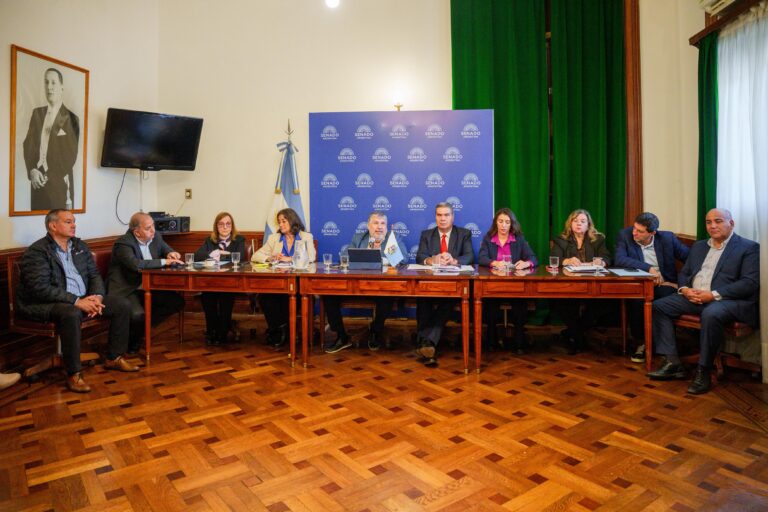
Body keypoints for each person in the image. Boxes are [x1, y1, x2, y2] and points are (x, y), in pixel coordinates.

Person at [16, 209, 137, 393]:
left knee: (122, 304)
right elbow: (40, 289)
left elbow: (94, 275)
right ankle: (74, 373)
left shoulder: (79, 246)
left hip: (82, 298)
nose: (74, 225)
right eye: (68, 222)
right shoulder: (38, 251)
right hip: (44, 304)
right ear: (53, 226)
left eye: (74, 221)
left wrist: (97, 296)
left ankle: (114, 358)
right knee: (71, 313)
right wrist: (76, 301)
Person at [647, 209, 759, 395]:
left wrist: (712, 295)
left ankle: (703, 370)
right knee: (659, 306)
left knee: (711, 313)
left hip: (729, 301)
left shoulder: (748, 247)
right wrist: (685, 290)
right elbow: (685, 273)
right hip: (694, 297)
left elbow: (749, 283)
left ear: (731, 224)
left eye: (718, 221)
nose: (712, 226)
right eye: (708, 222)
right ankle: (673, 362)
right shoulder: (699, 246)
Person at [323, 211, 408, 353]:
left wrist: (383, 256)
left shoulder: (392, 238)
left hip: (381, 287)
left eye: (383, 224)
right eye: (376, 223)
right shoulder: (360, 238)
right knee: (329, 295)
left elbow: (403, 259)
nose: (379, 227)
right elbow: (344, 257)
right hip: (356, 285)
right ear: (368, 226)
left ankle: (375, 331)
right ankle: (342, 336)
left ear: (386, 226)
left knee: (387, 298)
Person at [615, 212, 690, 363]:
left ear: (652, 233)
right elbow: (619, 259)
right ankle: (642, 342)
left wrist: (680, 285)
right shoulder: (625, 235)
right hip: (640, 283)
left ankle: (662, 346)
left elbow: (691, 259)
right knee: (637, 301)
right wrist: (648, 268)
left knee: (662, 303)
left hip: (665, 285)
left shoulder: (667, 238)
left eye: (640, 231)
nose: (634, 233)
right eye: (634, 228)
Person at [107, 212, 185, 353]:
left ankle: (140, 332)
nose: (153, 230)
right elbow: (135, 264)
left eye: (153, 226)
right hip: (128, 288)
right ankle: (131, 343)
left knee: (177, 302)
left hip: (148, 286)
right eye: (148, 228)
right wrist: (164, 261)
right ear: (137, 232)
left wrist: (171, 253)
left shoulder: (156, 237)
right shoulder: (123, 243)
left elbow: (166, 249)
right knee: (138, 315)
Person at [415, 202, 475, 367]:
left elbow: (470, 256)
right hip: (430, 284)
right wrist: (432, 259)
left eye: (446, 215)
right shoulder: (427, 234)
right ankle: (427, 343)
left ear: (452, 217)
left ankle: (425, 342)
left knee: (449, 300)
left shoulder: (463, 234)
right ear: (435, 217)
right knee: (422, 299)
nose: (442, 218)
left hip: (453, 285)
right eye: (439, 215)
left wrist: (454, 260)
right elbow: (420, 256)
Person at [550, 208, 612, 354]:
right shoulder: (561, 240)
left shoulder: (598, 239)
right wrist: (567, 260)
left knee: (605, 301)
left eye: (583, 221)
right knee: (560, 301)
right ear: (570, 223)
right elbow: (555, 259)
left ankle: (573, 333)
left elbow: (607, 257)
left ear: (588, 224)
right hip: (569, 283)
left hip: (592, 283)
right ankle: (577, 336)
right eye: (575, 221)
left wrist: (601, 262)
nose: (578, 224)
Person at [252, 208, 316, 349]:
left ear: (292, 221)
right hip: (277, 282)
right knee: (264, 297)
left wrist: (290, 259)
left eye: (283, 221)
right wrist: (270, 257)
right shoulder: (274, 238)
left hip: (298, 283)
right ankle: (279, 330)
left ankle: (281, 332)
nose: (280, 225)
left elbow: (311, 257)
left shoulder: (305, 237)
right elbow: (255, 256)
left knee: (287, 298)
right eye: (279, 222)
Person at [477, 208, 537, 354]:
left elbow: (533, 258)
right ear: (496, 223)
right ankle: (491, 340)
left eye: (507, 222)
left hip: (514, 285)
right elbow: (482, 258)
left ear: (512, 224)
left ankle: (519, 341)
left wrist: (526, 263)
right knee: (490, 306)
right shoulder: (488, 238)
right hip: (494, 285)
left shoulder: (518, 239)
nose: (503, 225)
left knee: (520, 305)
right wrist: (495, 263)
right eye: (500, 221)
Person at [22, 68, 79, 211]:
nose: (49, 87)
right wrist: (32, 170)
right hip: (37, 182)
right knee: (36, 220)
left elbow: (70, 155)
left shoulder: (71, 118)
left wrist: (48, 176)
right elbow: (28, 144)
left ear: (61, 87)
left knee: (58, 223)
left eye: (53, 82)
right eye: (46, 82)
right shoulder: (37, 113)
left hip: (60, 184)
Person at [194, 212, 247, 346]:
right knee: (207, 296)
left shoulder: (239, 240)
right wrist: (213, 253)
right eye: (221, 224)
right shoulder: (210, 240)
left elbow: (240, 257)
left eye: (228, 224)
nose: (225, 227)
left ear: (232, 226)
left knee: (226, 296)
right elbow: (197, 256)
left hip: (231, 281)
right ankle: (211, 331)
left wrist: (219, 253)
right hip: (211, 280)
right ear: (216, 226)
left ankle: (222, 332)